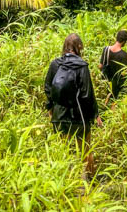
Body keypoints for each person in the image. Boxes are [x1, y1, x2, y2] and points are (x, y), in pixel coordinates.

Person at [45, 33, 102, 175]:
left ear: (64, 46)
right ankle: (88, 181)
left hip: (59, 116)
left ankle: (66, 180)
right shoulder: (82, 66)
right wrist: (94, 115)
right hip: (79, 116)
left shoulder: (55, 64)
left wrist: (50, 108)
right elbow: (87, 94)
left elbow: (48, 88)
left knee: (63, 150)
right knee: (85, 149)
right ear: (79, 47)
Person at [99, 30, 127, 100]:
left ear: (116, 38)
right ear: (124, 41)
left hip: (105, 82)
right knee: (114, 101)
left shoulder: (106, 49)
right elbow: (123, 73)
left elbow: (100, 66)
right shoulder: (123, 55)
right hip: (116, 85)